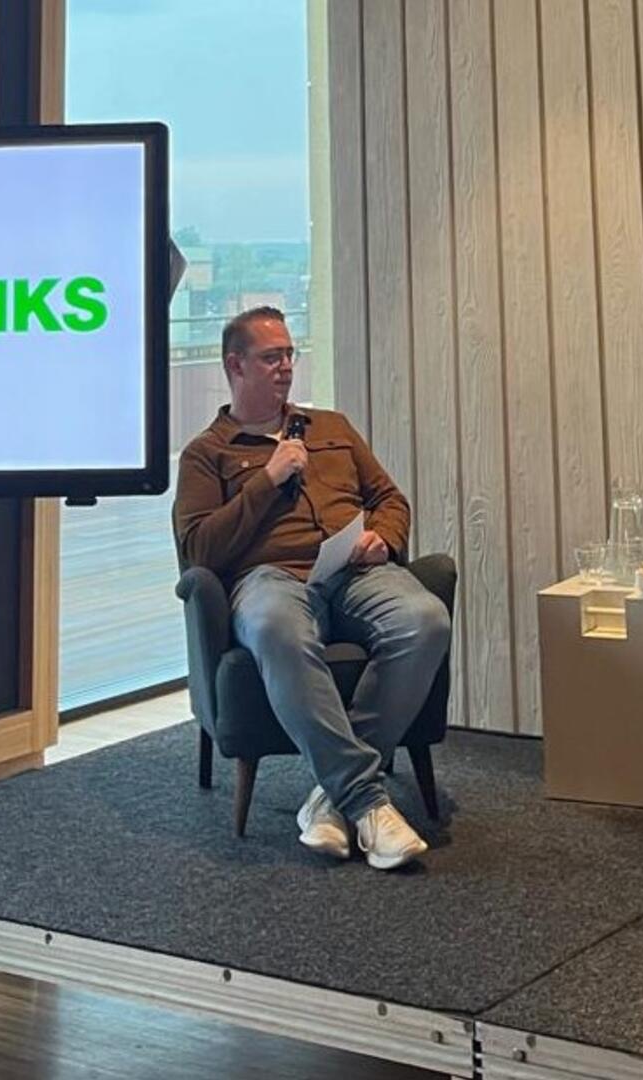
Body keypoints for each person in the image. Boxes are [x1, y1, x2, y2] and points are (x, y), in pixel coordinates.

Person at [173, 306, 451, 871]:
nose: (285, 368)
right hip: (268, 580)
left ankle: (333, 793)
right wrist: (266, 479)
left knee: (426, 620)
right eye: (271, 357)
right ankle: (368, 802)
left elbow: (391, 499)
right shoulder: (208, 453)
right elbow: (198, 550)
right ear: (235, 365)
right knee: (276, 628)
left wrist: (383, 538)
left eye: (289, 355)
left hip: (354, 570)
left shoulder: (332, 429)